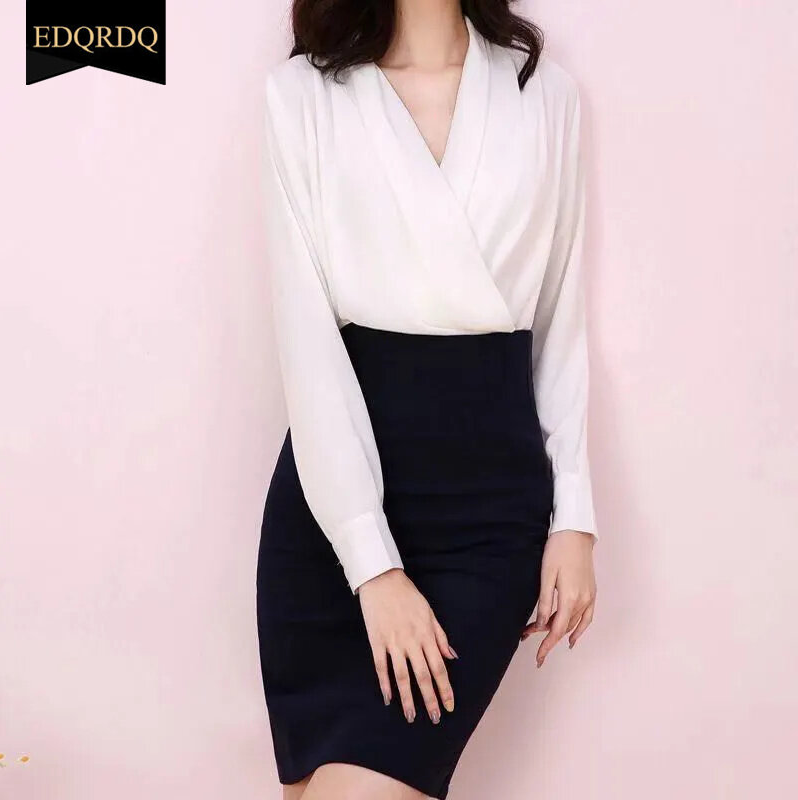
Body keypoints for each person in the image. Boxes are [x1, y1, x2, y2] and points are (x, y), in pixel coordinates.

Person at [256, 1, 599, 798]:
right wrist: (373, 569)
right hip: (333, 513)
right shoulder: (302, 95)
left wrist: (574, 516)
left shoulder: (544, 95)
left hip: (488, 516)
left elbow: (560, 317)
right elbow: (305, 340)